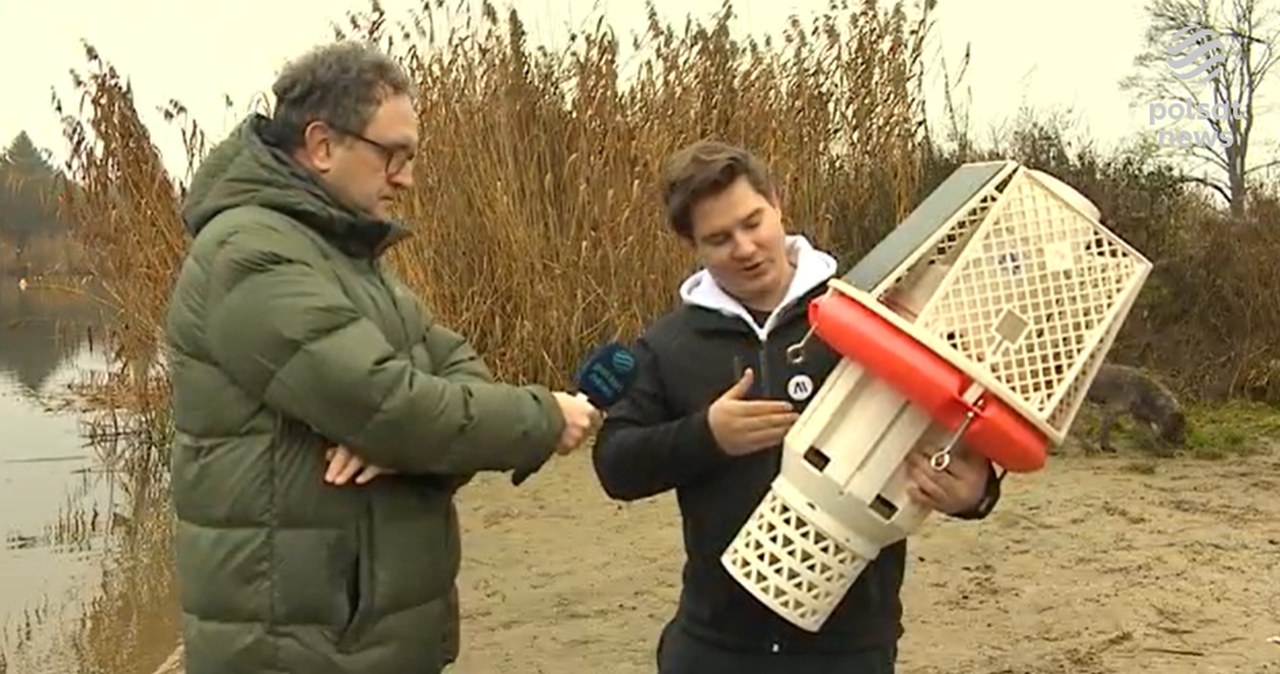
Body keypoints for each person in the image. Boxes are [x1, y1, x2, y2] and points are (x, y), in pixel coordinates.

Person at [163, 41, 600, 674]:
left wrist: (402, 440)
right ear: (322, 145)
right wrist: (543, 417)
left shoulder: (342, 258)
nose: (406, 178)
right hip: (300, 648)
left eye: (410, 158)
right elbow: (392, 404)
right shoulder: (251, 253)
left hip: (358, 635)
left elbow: (458, 375)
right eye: (392, 155)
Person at [591, 140, 1003, 673]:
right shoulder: (668, 346)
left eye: (753, 222)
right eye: (719, 238)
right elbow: (616, 464)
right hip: (714, 645)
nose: (745, 248)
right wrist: (707, 434)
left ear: (777, 203)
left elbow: (959, 431)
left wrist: (976, 494)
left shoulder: (871, 310)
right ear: (690, 244)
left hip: (850, 647)